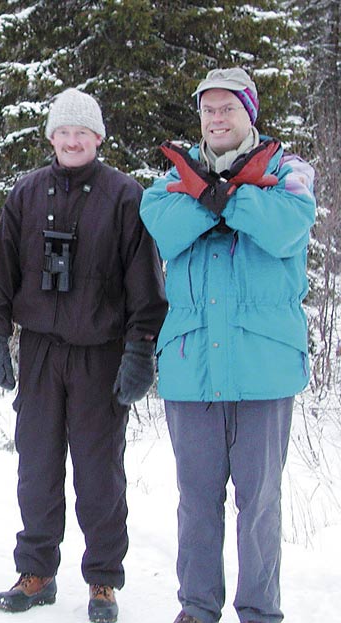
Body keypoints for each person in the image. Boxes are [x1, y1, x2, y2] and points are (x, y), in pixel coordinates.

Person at [0, 89, 167, 622]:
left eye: (81, 131)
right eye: (62, 131)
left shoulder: (125, 196)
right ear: (51, 137)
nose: (71, 139)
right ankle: (36, 571)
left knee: (98, 471)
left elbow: (144, 282)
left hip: (99, 353)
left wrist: (140, 349)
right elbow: (2, 272)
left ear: (98, 138)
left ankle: (103, 579)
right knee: (36, 465)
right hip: (39, 351)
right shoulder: (26, 193)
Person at [140, 68, 316, 623]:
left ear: (250, 113)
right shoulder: (170, 178)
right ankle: (197, 607)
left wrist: (222, 199)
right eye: (208, 110)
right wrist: (217, 198)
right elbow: (162, 226)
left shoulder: (288, 172)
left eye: (228, 109)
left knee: (259, 502)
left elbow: (288, 227)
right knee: (196, 502)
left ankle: (260, 610)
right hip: (192, 368)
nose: (217, 119)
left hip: (263, 366)